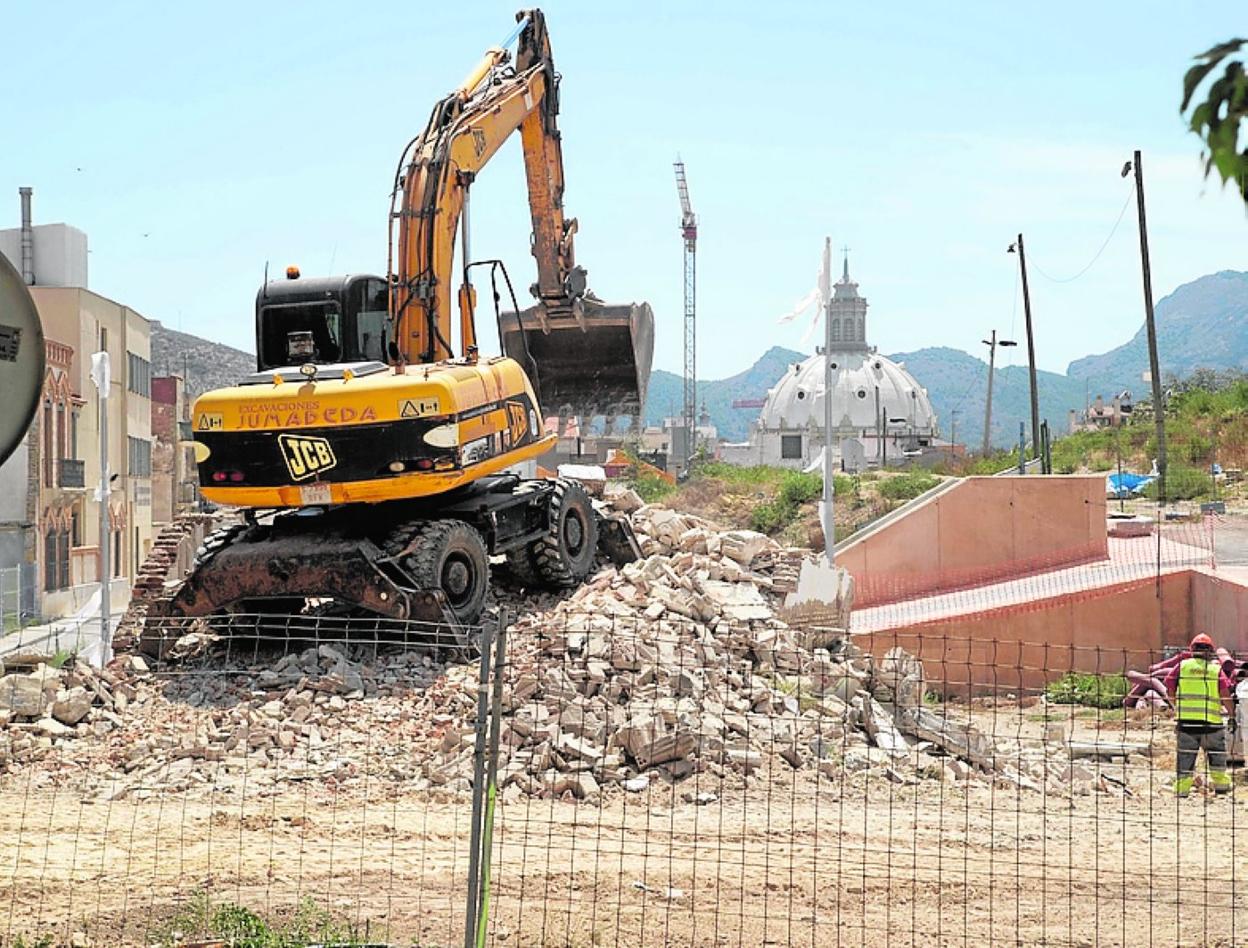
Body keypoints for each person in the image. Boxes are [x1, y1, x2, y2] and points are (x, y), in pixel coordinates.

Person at [1163, 634, 1234, 797]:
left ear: (1192, 650)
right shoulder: (1215, 669)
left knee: (1185, 757)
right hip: (1212, 724)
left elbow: (1169, 688)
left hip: (1187, 724)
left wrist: (1177, 705)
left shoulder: (1182, 666)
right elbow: (1225, 694)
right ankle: (1221, 787)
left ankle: (1182, 790)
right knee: (1216, 755)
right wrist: (1232, 715)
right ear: (1210, 651)